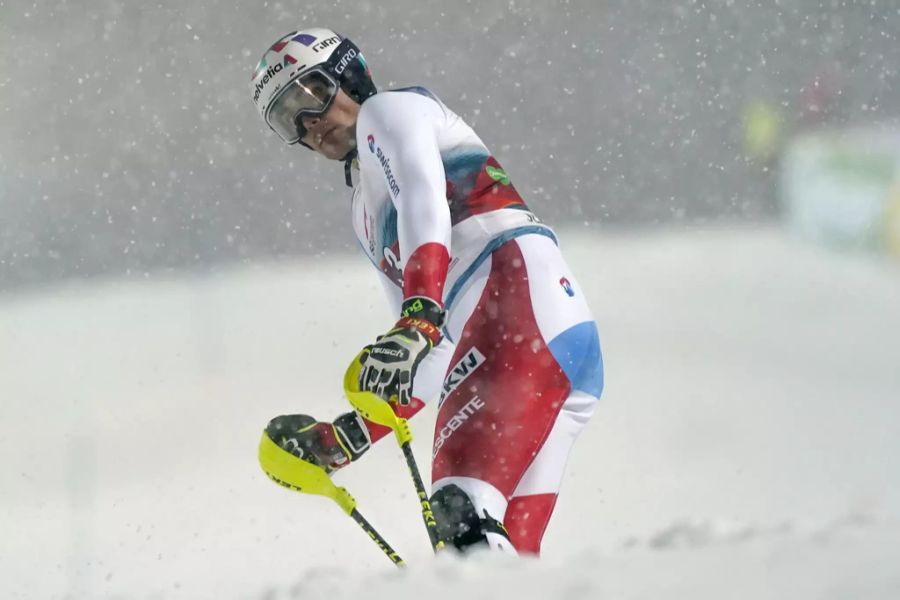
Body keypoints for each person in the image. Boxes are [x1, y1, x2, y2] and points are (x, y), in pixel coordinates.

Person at [250, 27, 604, 555]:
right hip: (536, 331)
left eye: (312, 94)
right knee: (496, 555)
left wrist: (417, 313)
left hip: (514, 299)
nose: (308, 122)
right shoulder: (363, 213)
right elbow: (433, 347)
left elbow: (424, 197)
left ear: (352, 74)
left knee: (459, 512)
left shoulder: (389, 111)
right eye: (287, 118)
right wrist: (347, 437)